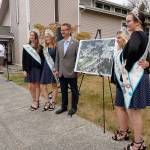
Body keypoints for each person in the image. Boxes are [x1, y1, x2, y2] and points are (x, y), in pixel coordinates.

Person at [113, 9, 150, 150]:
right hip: (138, 77)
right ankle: (137, 140)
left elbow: (134, 50)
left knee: (134, 112)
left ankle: (139, 143)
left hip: (135, 78)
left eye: (129, 21)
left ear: (137, 22)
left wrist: (127, 66)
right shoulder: (144, 35)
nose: (126, 23)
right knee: (132, 110)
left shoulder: (136, 34)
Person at [55, 23, 79, 116]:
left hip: (72, 72)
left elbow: (77, 58)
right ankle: (64, 107)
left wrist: (77, 70)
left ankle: (73, 107)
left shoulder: (75, 43)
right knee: (63, 90)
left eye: (64, 30)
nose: (62, 32)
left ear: (69, 31)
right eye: (61, 30)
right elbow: (57, 58)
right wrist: (56, 69)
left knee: (74, 91)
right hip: (61, 72)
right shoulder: (59, 43)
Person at [22, 29, 44, 111]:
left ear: (36, 37)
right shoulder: (26, 47)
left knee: (37, 85)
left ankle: (37, 102)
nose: (31, 37)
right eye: (30, 35)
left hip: (37, 69)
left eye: (33, 35)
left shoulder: (40, 47)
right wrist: (24, 70)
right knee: (30, 86)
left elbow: (42, 59)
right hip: (29, 69)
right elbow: (23, 59)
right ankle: (34, 100)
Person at [40, 29, 58, 111]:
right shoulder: (44, 48)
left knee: (54, 85)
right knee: (43, 86)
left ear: (51, 37)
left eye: (48, 36)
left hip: (53, 69)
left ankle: (53, 102)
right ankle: (47, 102)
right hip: (45, 68)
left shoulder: (56, 47)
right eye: (45, 37)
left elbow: (58, 59)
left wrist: (57, 69)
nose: (46, 38)